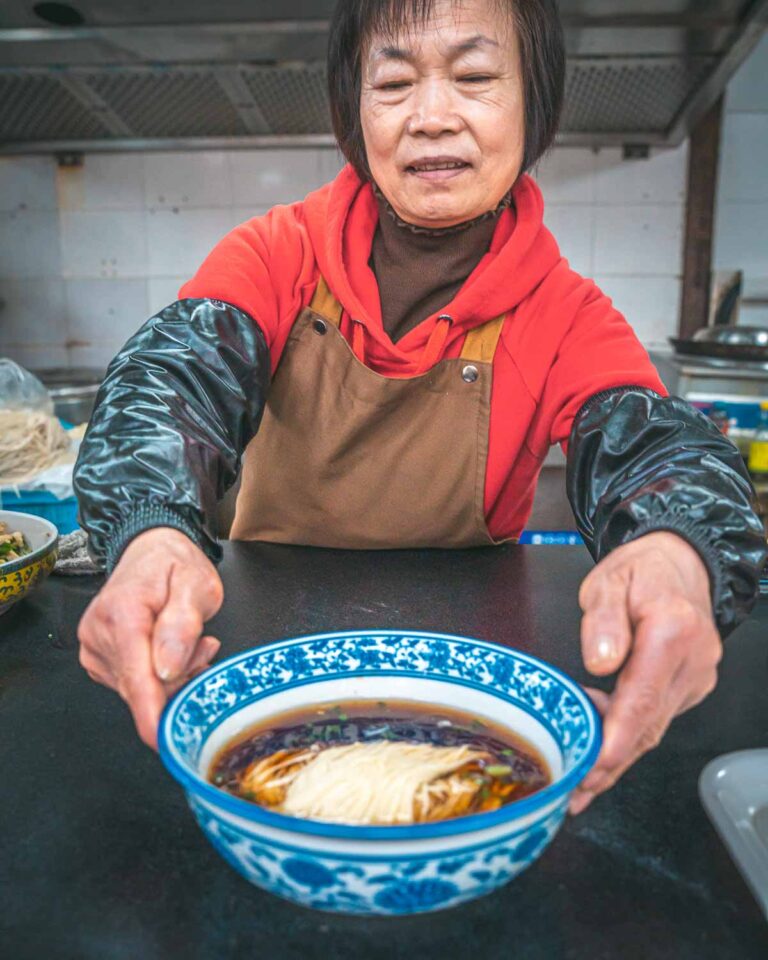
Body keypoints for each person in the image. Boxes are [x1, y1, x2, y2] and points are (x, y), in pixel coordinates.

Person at [74, 0, 765, 815]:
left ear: (534, 105)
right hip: (251, 657)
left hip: (469, 689)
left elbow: (664, 452)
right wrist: (150, 530)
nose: (432, 117)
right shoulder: (275, 254)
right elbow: (171, 382)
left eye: (474, 77)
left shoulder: (566, 314)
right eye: (394, 83)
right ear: (352, 113)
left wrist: (679, 552)